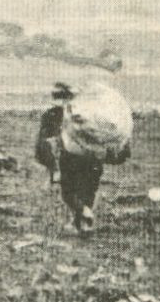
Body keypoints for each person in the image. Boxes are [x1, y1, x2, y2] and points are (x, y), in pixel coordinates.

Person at [35, 82, 133, 235]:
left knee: (69, 193)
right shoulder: (88, 114)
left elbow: (45, 142)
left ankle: (84, 214)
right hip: (94, 159)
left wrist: (52, 168)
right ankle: (82, 224)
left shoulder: (52, 115)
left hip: (70, 158)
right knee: (88, 191)